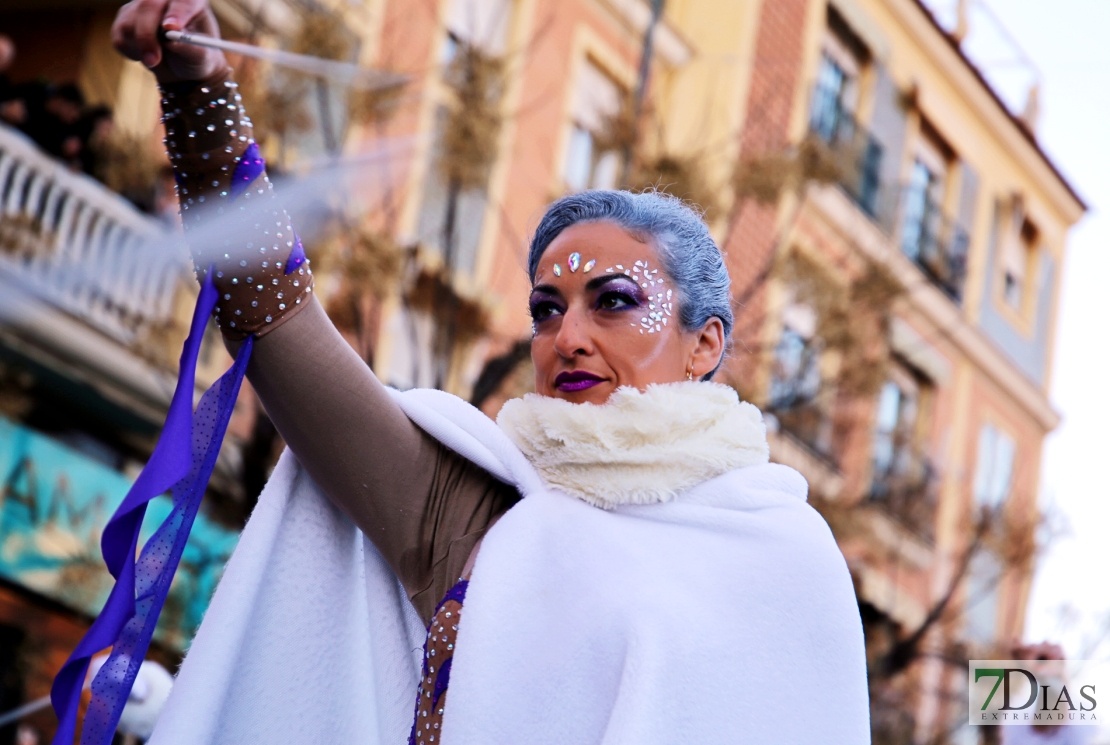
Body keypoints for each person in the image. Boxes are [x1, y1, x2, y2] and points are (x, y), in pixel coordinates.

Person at [105, 0, 871, 742]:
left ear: (705, 344)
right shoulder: (477, 511)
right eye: (545, 308)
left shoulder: (788, 558)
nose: (566, 336)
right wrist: (199, 92)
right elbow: (271, 314)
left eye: (611, 301)